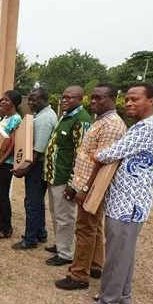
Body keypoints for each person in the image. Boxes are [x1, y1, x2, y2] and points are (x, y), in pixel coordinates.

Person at [76, 82, 153, 304]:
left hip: (129, 205)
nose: (129, 103)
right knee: (124, 253)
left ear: (151, 101)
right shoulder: (144, 126)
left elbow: (110, 152)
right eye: (127, 99)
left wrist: (97, 154)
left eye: (135, 99)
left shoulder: (147, 127)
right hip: (126, 202)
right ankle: (122, 299)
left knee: (117, 254)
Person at [55, 83, 127, 290]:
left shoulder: (112, 125)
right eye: (93, 97)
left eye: (100, 98)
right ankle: (95, 266)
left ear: (112, 99)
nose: (94, 101)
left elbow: (102, 161)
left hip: (93, 186)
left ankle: (78, 275)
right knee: (94, 226)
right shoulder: (101, 121)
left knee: (85, 228)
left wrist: (85, 189)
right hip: (86, 183)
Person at [43, 86, 93, 266]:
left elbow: (82, 154)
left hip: (65, 177)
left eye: (69, 98)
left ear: (81, 99)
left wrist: (74, 183)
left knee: (65, 216)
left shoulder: (82, 120)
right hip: (54, 174)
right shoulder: (66, 115)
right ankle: (59, 244)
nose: (64, 100)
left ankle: (65, 253)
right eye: (63, 97)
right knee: (56, 212)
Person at [12, 87, 57, 249]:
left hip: (37, 165)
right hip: (38, 164)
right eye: (29, 99)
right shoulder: (42, 115)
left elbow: (38, 150)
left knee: (31, 203)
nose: (30, 102)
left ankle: (30, 239)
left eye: (35, 99)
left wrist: (25, 168)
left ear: (45, 100)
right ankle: (40, 233)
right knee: (37, 202)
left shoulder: (45, 119)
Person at [0, 90, 22, 239]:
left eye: (7, 100)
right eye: (3, 99)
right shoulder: (4, 118)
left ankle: (6, 228)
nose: (3, 102)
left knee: (2, 195)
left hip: (5, 163)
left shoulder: (15, 119)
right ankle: (0, 222)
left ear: (13, 104)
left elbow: (12, 145)